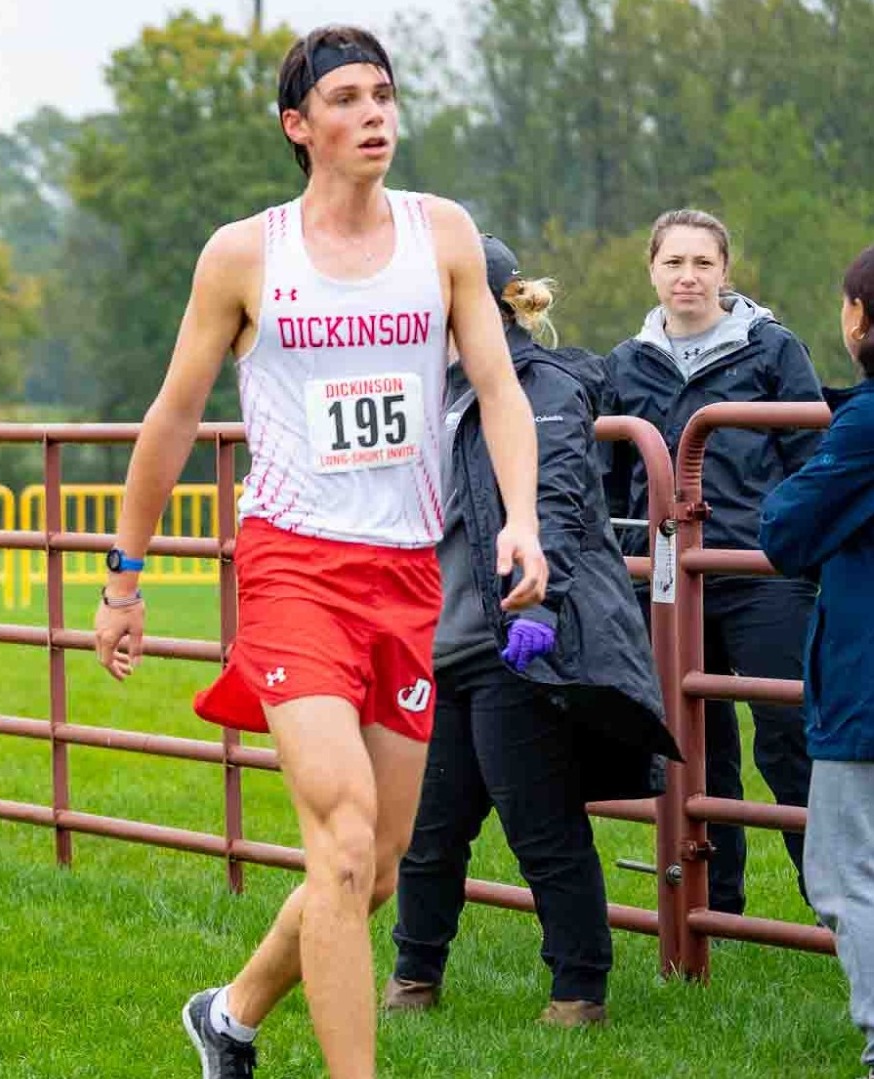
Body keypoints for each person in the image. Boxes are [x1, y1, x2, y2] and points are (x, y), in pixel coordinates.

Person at [91, 27, 548, 1079]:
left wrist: (519, 514)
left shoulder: (444, 236)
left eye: (384, 94)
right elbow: (170, 417)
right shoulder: (245, 254)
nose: (374, 114)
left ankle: (232, 1010)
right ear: (299, 127)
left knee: (375, 866)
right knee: (338, 841)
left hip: (406, 571)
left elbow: (502, 388)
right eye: (345, 99)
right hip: (293, 565)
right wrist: (126, 573)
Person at [386, 237, 678, 1028]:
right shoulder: (421, 388)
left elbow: (553, 501)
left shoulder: (539, 384)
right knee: (428, 830)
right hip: (433, 640)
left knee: (540, 821)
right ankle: (414, 977)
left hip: (508, 638)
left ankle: (579, 990)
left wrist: (536, 609)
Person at [601, 208, 823, 916]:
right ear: (653, 271)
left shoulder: (772, 352)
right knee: (693, 745)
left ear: (727, 271)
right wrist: (626, 560)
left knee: (789, 735)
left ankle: (835, 899)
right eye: (674, 263)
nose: (688, 276)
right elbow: (609, 480)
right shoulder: (625, 364)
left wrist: (789, 550)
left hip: (760, 576)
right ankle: (711, 907)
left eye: (702, 263)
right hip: (667, 586)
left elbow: (810, 462)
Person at [760, 242, 874, 1079]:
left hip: (867, 687)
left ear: (859, 318)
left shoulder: (866, 427)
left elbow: (786, 530)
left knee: (847, 870)